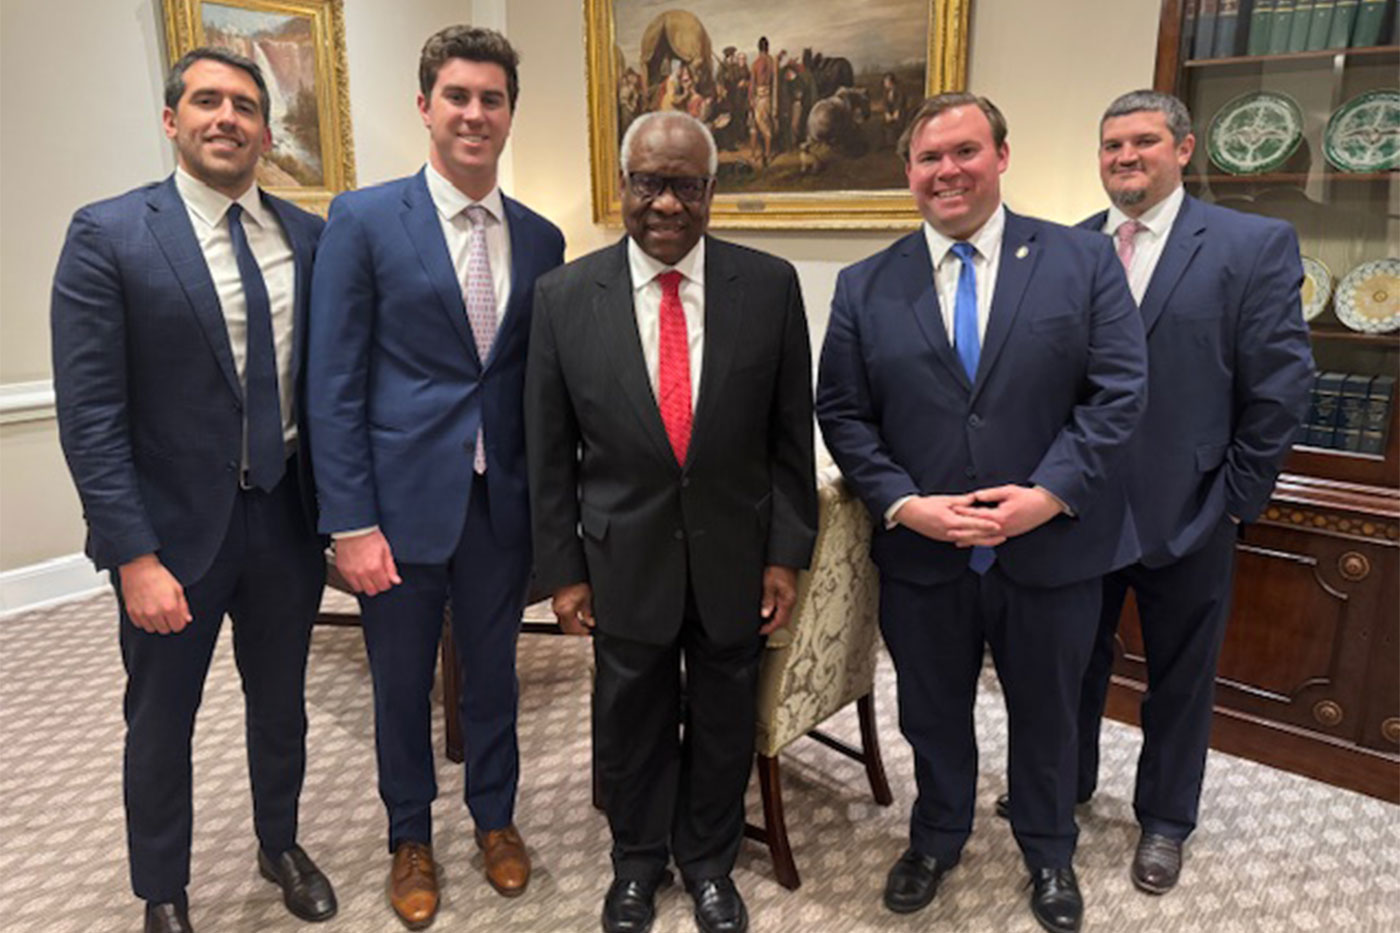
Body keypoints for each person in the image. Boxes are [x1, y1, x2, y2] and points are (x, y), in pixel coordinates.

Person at [816, 92, 1147, 933]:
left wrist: (1047, 494)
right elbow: (844, 413)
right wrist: (903, 503)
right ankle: (936, 835)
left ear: (1002, 155)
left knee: (1050, 709)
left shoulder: (1081, 261)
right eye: (930, 159)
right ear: (909, 174)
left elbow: (1118, 393)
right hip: (926, 555)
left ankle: (1048, 848)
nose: (948, 171)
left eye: (965, 151)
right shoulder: (865, 285)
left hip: (1051, 546)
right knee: (929, 709)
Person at [996, 90, 1312, 896]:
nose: (1124, 158)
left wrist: (1238, 498)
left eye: (1142, 142)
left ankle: (1166, 820)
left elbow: (1280, 386)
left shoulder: (1251, 244)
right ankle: (1064, 785)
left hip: (1192, 505)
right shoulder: (1067, 247)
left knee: (1180, 675)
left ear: (1183, 148)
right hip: (1075, 506)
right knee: (1071, 664)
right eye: (1110, 146)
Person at [51, 47, 336, 933]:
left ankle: (278, 840)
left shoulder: (308, 237)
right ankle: (162, 890)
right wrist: (133, 555)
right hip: (172, 536)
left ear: (265, 130)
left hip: (286, 516)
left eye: (245, 106)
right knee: (161, 718)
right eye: (207, 101)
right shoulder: (110, 234)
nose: (227, 118)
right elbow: (91, 414)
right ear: (172, 121)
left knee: (280, 700)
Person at [526, 111, 817, 933]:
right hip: (622, 558)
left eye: (686, 185)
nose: (666, 203)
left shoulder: (767, 286)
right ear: (623, 186)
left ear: (711, 192)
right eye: (650, 182)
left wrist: (786, 554)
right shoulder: (562, 297)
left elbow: (791, 439)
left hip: (734, 553)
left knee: (725, 715)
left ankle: (710, 863)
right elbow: (548, 454)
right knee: (631, 717)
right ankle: (637, 863)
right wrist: (565, 572)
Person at [305, 25, 564, 929]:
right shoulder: (365, 220)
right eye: (457, 96)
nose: (474, 114)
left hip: (501, 506)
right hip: (397, 511)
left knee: (496, 676)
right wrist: (350, 521)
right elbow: (332, 383)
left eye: (492, 99)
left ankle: (495, 819)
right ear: (425, 107)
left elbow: (534, 383)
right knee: (400, 683)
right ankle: (408, 836)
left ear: (509, 115)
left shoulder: (542, 238)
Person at [749, 37, 776, 167]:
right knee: (764, 125)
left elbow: (752, 84)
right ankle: (765, 155)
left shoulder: (756, 63)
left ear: (758, 48)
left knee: (758, 127)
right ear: (767, 47)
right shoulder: (772, 61)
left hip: (759, 97)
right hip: (768, 97)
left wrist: (750, 99)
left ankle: (758, 156)